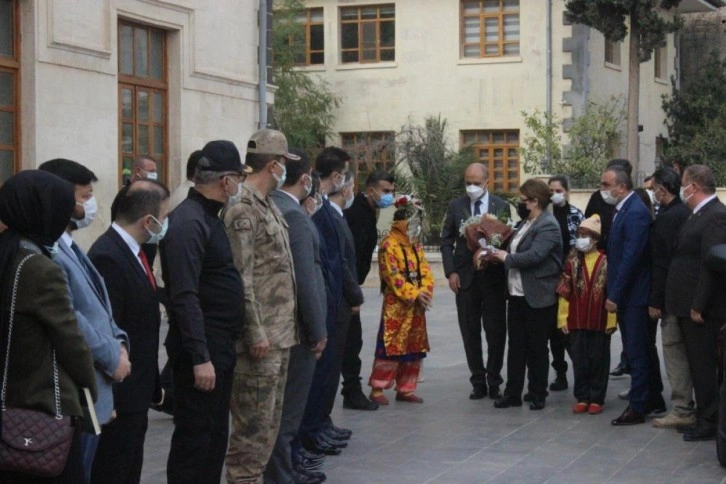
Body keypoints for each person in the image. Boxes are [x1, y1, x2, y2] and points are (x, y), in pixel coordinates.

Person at [160, 141, 250, 484]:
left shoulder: (209, 217)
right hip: (203, 347)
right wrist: (200, 356)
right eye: (237, 178)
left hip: (219, 344)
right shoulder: (187, 222)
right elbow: (184, 295)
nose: (238, 186)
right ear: (225, 180)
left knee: (214, 436)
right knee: (195, 438)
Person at [0, 170, 97, 484]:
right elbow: (71, 340)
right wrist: (93, 388)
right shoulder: (39, 267)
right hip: (37, 409)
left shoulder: (8, 253)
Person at [38, 159, 131, 481]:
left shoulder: (69, 244)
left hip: (98, 387)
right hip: (76, 391)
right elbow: (69, 315)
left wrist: (119, 344)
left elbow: (99, 307)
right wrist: (110, 356)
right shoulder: (47, 251)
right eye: (83, 196)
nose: (89, 205)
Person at [223, 129, 298, 484]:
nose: (285, 170)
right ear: (273, 165)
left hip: (279, 335)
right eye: (284, 164)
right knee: (250, 439)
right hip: (260, 341)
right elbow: (242, 276)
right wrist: (254, 332)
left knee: (267, 430)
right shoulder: (242, 208)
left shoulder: (266, 204)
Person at [88, 180, 171, 484]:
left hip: (137, 391)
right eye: (165, 215)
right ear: (148, 221)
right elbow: (109, 329)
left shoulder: (134, 252)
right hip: (121, 396)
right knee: (115, 470)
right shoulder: (109, 256)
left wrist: (152, 384)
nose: (167, 222)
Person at [266, 150, 328, 484]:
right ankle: (281, 474)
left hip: (279, 325)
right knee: (287, 413)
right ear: (305, 179)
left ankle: (284, 469)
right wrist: (318, 331)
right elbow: (305, 278)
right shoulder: (294, 215)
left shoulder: (272, 207)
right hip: (298, 330)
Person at [299, 147, 355, 457]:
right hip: (323, 301)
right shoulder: (313, 206)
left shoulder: (321, 204)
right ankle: (311, 430)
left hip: (332, 299)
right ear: (335, 176)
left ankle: (320, 423)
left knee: (329, 371)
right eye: (344, 175)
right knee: (317, 374)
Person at [665, 164, 726, 441]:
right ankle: (704, 416)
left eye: (684, 184)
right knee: (695, 364)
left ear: (695, 186)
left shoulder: (715, 216)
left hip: (703, 308)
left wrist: (699, 304)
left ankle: (710, 421)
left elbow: (709, 263)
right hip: (685, 304)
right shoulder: (696, 214)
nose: (682, 189)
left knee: (704, 367)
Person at [491, 178, 562, 411]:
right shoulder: (525, 223)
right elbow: (514, 248)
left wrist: (506, 258)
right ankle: (513, 393)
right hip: (517, 294)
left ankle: (537, 391)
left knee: (537, 347)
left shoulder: (548, 225)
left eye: (523, 201)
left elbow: (536, 255)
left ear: (534, 201)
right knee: (517, 346)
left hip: (539, 295)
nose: (520, 204)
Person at [440, 163, 510, 400]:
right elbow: (446, 240)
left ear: (487, 183)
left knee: (496, 332)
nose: (472, 187)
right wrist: (451, 272)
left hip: (493, 279)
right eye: (468, 182)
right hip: (465, 279)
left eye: (476, 183)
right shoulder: (456, 205)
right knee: (469, 331)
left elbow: (506, 238)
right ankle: (477, 381)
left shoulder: (501, 206)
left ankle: (494, 380)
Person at [601, 166, 664, 426]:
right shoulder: (622, 209)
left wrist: (614, 293)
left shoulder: (635, 212)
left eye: (606, 185)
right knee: (641, 350)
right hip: (630, 293)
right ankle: (653, 398)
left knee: (637, 351)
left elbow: (631, 258)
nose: (603, 190)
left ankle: (638, 406)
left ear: (622, 187)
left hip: (634, 295)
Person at [368, 195, 433, 404]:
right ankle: (378, 388)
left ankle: (406, 388)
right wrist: (413, 294)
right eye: (414, 222)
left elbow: (425, 271)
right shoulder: (389, 245)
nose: (417, 226)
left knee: (414, 347)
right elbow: (392, 275)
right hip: (396, 305)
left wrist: (425, 291)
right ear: (403, 222)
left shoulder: (416, 245)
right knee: (390, 346)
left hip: (416, 307)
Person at [341, 170, 395, 410]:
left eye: (392, 192)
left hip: (352, 285)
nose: (389, 196)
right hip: (347, 288)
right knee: (351, 342)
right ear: (371, 189)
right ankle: (351, 391)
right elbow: (347, 256)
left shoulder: (368, 211)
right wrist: (352, 291)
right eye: (385, 191)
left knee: (353, 341)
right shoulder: (357, 213)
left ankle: (351, 389)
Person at [648, 167, 694, 429]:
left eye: (654, 188)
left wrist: (656, 300)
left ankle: (682, 408)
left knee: (674, 351)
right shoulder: (685, 212)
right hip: (686, 296)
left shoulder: (669, 218)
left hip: (673, 298)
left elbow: (662, 262)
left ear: (662, 190)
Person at [556, 215, 616, 415]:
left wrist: (611, 319)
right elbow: (565, 291)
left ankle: (597, 397)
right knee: (580, 359)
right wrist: (562, 317)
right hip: (577, 320)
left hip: (599, 320)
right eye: (579, 234)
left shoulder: (607, 262)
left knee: (599, 359)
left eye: (586, 235)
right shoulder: (572, 262)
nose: (581, 238)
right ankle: (582, 396)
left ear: (596, 239)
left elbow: (611, 293)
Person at [326, 172, 365, 413]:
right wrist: (354, 294)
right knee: (336, 356)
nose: (353, 191)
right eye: (351, 185)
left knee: (351, 347)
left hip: (345, 296)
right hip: (339, 299)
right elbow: (339, 261)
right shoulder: (329, 217)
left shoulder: (339, 216)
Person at [548, 175, 584, 392]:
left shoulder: (576, 215)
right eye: (551, 190)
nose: (555, 194)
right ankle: (559, 372)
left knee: (568, 329)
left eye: (559, 190)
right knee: (553, 331)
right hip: (549, 278)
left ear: (567, 191)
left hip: (570, 277)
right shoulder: (544, 214)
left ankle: (581, 372)